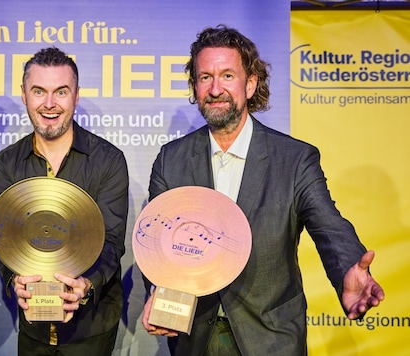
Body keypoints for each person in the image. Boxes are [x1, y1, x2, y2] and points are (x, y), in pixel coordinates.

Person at [140, 25, 385, 355]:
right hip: (194, 336)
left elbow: (328, 226)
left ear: (250, 83)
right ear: (195, 87)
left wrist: (347, 272)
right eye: (205, 77)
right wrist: (158, 294)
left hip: (271, 337)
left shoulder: (295, 159)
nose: (215, 89)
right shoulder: (172, 159)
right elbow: (154, 243)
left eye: (227, 76)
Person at [0, 47, 129, 355]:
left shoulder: (108, 161)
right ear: (24, 95)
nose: (50, 104)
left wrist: (86, 286)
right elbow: (5, 241)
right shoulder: (5, 164)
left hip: (91, 327)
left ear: (76, 96)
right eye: (39, 91)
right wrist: (15, 280)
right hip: (33, 328)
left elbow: (112, 242)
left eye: (61, 92)